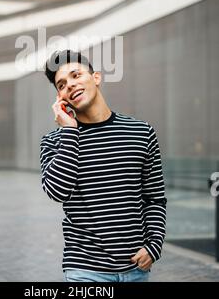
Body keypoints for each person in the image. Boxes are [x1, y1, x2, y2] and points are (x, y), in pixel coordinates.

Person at [40, 50, 167, 282]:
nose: (69, 85)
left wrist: (154, 245)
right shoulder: (54, 141)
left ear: (96, 77)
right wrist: (69, 131)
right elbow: (57, 192)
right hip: (85, 269)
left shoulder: (141, 132)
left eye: (76, 75)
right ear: (60, 97)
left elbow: (155, 198)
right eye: (61, 84)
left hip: (136, 269)